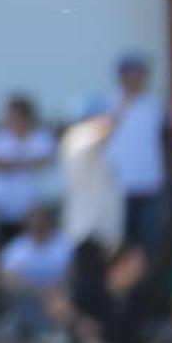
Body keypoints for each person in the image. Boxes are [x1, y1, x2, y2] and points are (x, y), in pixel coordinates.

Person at [101, 54, 167, 257]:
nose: (135, 79)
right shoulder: (107, 103)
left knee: (149, 242)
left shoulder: (155, 105)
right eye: (130, 74)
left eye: (139, 74)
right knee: (121, 244)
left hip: (149, 184)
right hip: (118, 186)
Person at [62, 239, 160, 343]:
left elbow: (144, 337)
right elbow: (64, 310)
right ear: (122, 263)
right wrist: (80, 322)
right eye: (138, 262)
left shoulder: (141, 295)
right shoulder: (90, 289)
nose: (144, 266)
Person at [0, 94, 57, 247]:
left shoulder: (42, 137)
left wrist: (10, 163)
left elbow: (44, 161)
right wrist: (23, 163)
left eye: (17, 117)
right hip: (3, 207)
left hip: (34, 207)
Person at [0, 206, 72, 343]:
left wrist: (54, 288)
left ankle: (57, 333)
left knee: (60, 299)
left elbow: (73, 271)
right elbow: (4, 276)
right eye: (34, 222)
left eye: (41, 222)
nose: (37, 226)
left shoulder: (64, 244)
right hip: (29, 295)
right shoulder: (16, 248)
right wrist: (37, 290)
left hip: (59, 292)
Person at [59, 95, 124, 248]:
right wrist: (122, 109)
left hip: (104, 230)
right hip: (86, 230)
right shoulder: (77, 137)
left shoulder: (97, 147)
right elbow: (104, 128)